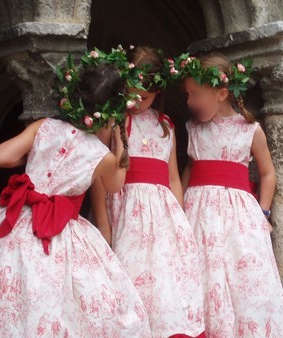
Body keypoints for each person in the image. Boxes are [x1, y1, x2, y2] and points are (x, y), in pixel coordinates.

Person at [0, 60, 151, 337]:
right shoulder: (100, 155)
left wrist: (38, 155)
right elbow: (114, 184)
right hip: (61, 234)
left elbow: (1, 157)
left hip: (16, 221)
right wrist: (120, 141)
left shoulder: (45, 126)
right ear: (111, 112)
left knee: (7, 298)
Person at [176, 52, 283, 337]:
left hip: (239, 215)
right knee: (201, 274)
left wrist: (263, 213)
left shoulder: (250, 130)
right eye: (187, 95)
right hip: (199, 212)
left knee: (244, 279)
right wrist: (179, 209)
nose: (190, 102)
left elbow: (267, 173)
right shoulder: (193, 129)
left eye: (196, 94)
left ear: (222, 93)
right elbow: (190, 168)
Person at [100, 46, 205, 337]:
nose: (135, 102)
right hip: (127, 211)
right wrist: (104, 224)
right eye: (130, 93)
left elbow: (172, 177)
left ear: (157, 93)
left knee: (164, 282)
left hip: (162, 217)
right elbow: (100, 174)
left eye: (143, 97)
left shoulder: (166, 126)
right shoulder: (114, 121)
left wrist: (181, 221)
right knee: (130, 275)